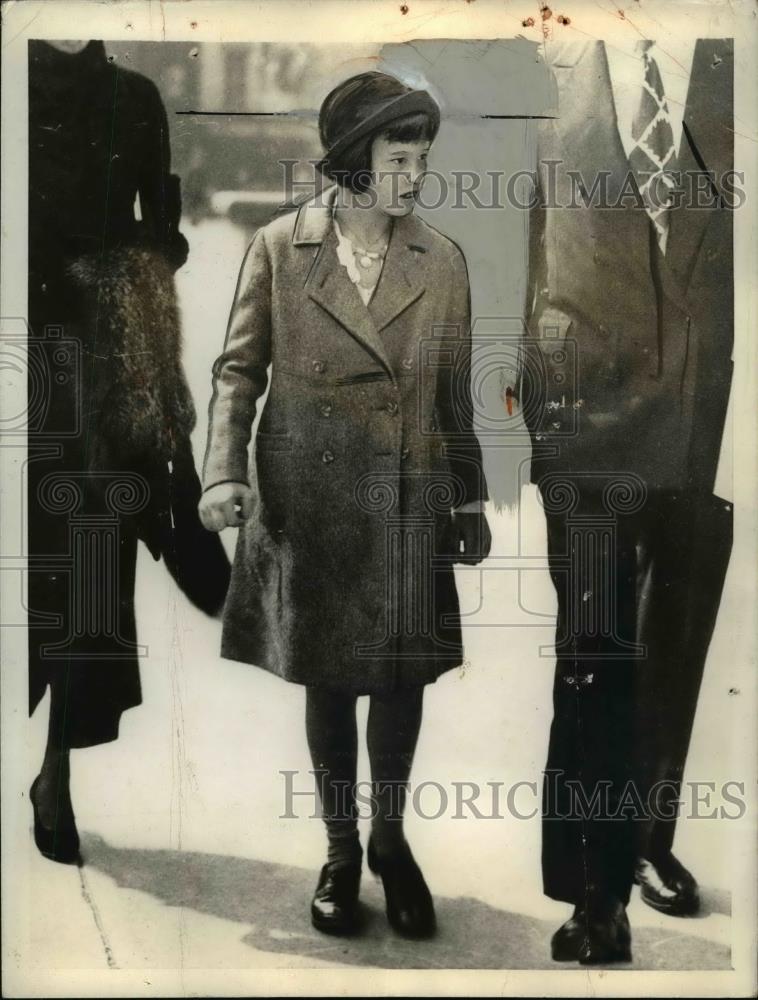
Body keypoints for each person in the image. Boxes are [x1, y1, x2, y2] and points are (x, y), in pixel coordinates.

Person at [199, 71, 491, 937]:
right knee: (326, 682)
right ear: (356, 161)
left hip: (406, 505)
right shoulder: (280, 248)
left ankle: (392, 845)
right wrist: (222, 473)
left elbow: (452, 394)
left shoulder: (441, 259)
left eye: (424, 158)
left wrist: (467, 503)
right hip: (311, 506)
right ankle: (339, 852)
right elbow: (237, 372)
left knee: (400, 685)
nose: (416, 175)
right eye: (401, 158)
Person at [521, 37, 734, 962]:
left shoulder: (733, 64)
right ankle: (594, 891)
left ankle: (648, 832)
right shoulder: (549, 59)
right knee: (595, 652)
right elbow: (517, 250)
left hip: (704, 406)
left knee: (676, 640)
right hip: (586, 418)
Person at [27, 40, 230, 864]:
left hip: (100, 371)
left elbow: (157, 248)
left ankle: (55, 777)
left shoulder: (135, 97)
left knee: (88, 569)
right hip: (14, 351)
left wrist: (150, 377)